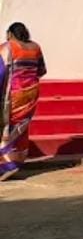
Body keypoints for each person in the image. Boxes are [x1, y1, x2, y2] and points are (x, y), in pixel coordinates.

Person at [1, 22, 47, 181]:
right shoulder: (35, 47)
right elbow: (42, 71)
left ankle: (6, 165)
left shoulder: (8, 47)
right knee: (21, 129)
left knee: (6, 127)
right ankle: (16, 161)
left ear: (10, 34)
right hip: (30, 94)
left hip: (12, 95)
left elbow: (0, 71)